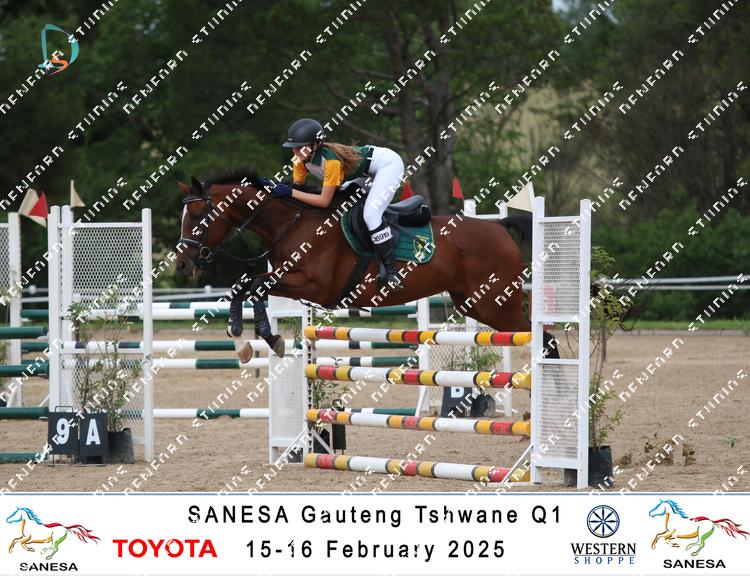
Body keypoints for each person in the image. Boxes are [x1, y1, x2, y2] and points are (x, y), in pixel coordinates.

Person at [262, 118, 405, 288]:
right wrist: (272, 189)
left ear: (315, 145)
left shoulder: (331, 162)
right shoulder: (299, 161)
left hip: (387, 166)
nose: (296, 151)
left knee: (371, 215)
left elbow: (323, 201)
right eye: (294, 147)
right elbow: (297, 192)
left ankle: (392, 272)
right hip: (364, 174)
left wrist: (289, 192)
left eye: (300, 147)